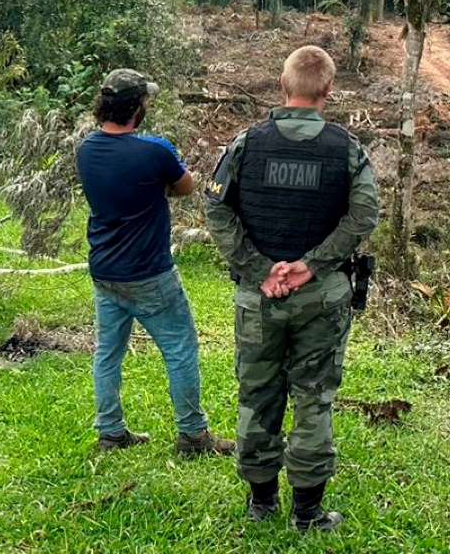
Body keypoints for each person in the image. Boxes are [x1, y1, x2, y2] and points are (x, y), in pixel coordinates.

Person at [205, 44, 378, 533]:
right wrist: (313, 264)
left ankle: (261, 502)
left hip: (258, 298)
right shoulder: (347, 148)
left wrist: (259, 268)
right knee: (313, 396)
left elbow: (216, 208)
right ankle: (307, 513)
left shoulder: (245, 143)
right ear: (328, 91)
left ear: (283, 87)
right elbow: (364, 214)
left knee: (258, 392)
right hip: (321, 297)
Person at [76, 67, 235, 457]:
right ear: (138, 107)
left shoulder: (86, 149)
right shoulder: (155, 150)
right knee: (180, 347)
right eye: (145, 99)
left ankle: (110, 433)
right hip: (150, 273)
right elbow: (187, 187)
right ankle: (193, 436)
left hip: (104, 271)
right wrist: (154, 187)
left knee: (107, 353)